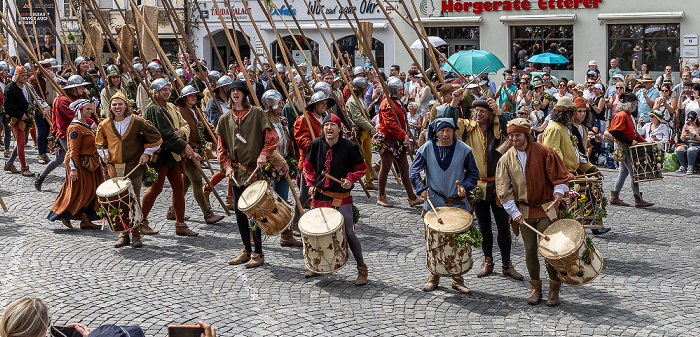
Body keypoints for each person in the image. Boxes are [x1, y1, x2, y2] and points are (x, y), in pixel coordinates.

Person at [495, 118, 573, 306]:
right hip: (524, 213)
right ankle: (536, 288)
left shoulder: (545, 152)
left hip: (546, 209)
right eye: (511, 135)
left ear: (526, 135)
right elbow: (503, 189)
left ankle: (554, 290)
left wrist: (558, 192)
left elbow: (560, 178)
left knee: (550, 250)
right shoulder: (506, 159)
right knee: (530, 250)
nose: (514, 139)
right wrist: (514, 212)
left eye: (517, 135)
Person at [217, 80, 287, 268]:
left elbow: (272, 138)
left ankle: (259, 253)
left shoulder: (256, 113)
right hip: (236, 174)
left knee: (255, 213)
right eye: (232, 91)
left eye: (239, 91)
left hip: (254, 173)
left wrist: (264, 154)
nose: (236, 94)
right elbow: (221, 148)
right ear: (229, 95)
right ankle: (246, 250)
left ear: (245, 94)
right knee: (240, 213)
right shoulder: (224, 119)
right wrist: (226, 166)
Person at [409, 118, 480, 293]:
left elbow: (473, 174)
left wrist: (465, 187)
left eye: (449, 130)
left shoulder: (464, 149)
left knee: (458, 243)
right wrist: (421, 188)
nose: (445, 134)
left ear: (454, 131)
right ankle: (434, 276)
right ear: (436, 132)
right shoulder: (427, 148)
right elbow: (413, 171)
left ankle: (457, 278)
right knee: (434, 242)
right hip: (434, 202)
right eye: (442, 131)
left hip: (457, 203)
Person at [459, 98, 524, 280]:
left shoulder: (499, 128)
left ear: (490, 113)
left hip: (499, 186)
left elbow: (510, 127)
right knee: (484, 226)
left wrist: (500, 112)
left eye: (483, 111)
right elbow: (451, 122)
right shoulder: (469, 128)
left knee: (503, 226)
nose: (479, 114)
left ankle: (507, 265)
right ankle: (488, 261)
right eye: (476, 111)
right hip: (478, 186)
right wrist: (453, 103)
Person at [303, 113, 368, 285]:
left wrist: (350, 179)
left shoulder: (349, 147)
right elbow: (307, 168)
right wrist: (310, 183)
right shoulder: (315, 145)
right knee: (314, 233)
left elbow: (362, 168)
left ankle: (362, 269)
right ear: (323, 129)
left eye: (333, 125)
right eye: (326, 125)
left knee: (349, 233)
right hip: (319, 197)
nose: (329, 128)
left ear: (340, 129)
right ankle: (316, 266)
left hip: (341, 198)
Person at [95, 92, 162, 248]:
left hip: (134, 168)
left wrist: (147, 154)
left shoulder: (137, 122)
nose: (117, 107)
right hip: (114, 169)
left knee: (134, 201)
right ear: (110, 107)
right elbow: (100, 144)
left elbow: (156, 137)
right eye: (114, 104)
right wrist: (104, 155)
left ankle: (136, 234)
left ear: (126, 106)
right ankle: (123, 234)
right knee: (117, 202)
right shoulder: (104, 124)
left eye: (120, 104)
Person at [141, 78, 202, 237]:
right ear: (156, 92)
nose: (167, 92)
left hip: (173, 155)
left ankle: (180, 224)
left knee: (179, 188)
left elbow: (180, 127)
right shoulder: (154, 109)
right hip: (160, 156)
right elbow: (165, 136)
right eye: (163, 90)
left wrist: (181, 135)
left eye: (168, 89)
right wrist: (185, 147)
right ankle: (141, 221)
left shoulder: (168, 107)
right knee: (156, 189)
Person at [47, 99, 103, 230]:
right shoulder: (75, 128)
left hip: (89, 163)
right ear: (80, 110)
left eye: (91, 108)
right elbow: (73, 149)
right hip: (79, 163)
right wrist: (73, 169)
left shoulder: (85, 124)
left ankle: (85, 219)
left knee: (90, 191)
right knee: (77, 191)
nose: (90, 111)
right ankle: (63, 214)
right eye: (87, 109)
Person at [173, 85, 224, 224]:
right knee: (197, 181)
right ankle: (207, 214)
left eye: (195, 95)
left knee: (186, 182)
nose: (194, 97)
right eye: (191, 96)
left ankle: (172, 210)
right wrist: (186, 149)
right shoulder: (180, 111)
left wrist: (215, 136)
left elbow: (205, 127)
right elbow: (179, 131)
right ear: (184, 98)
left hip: (198, 150)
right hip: (188, 152)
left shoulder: (197, 110)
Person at [35, 75, 92, 191]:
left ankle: (40, 177)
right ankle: (73, 184)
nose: (83, 88)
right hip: (66, 135)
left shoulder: (78, 98)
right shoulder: (63, 100)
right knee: (73, 158)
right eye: (80, 87)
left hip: (75, 133)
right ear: (73, 88)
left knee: (59, 159)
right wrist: (91, 123)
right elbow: (75, 116)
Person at [261, 89, 302, 247]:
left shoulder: (282, 120)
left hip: (285, 163)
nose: (281, 105)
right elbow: (267, 146)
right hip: (269, 167)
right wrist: (280, 163)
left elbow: (287, 139)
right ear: (270, 105)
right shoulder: (263, 121)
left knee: (283, 201)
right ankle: (253, 238)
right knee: (265, 203)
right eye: (278, 103)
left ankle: (286, 235)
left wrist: (290, 159)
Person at [376, 76, 423, 208]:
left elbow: (401, 120)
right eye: (400, 90)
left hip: (399, 141)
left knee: (404, 169)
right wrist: (404, 135)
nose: (402, 92)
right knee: (385, 168)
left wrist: (405, 133)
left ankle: (412, 197)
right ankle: (381, 197)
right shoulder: (386, 104)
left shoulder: (397, 102)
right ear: (394, 90)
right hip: (389, 141)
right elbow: (390, 124)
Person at [608, 92, 654, 208]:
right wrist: (630, 141)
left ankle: (614, 197)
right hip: (624, 147)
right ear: (630, 104)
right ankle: (638, 199)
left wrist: (645, 142)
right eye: (635, 103)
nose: (636, 106)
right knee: (634, 173)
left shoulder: (627, 115)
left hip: (626, 146)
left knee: (624, 172)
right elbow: (614, 131)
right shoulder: (623, 115)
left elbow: (634, 134)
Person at [4, 65, 50, 177]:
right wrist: (20, 115)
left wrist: (44, 106)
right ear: (17, 76)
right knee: (20, 142)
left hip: (27, 118)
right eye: (23, 75)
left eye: (26, 75)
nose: (26, 77)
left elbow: (36, 98)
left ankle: (9, 164)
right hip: (16, 120)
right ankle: (24, 168)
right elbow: (8, 106)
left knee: (22, 143)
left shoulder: (28, 86)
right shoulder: (10, 88)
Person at [541, 97, 598, 175]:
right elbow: (554, 156)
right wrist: (565, 173)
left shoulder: (565, 128)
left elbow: (575, 153)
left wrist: (591, 170)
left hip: (570, 174)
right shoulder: (554, 129)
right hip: (560, 178)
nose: (574, 116)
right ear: (566, 114)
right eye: (572, 113)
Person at [345, 76, 377, 190]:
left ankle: (368, 181)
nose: (366, 90)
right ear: (360, 89)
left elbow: (365, 115)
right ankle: (348, 179)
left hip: (365, 132)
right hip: (357, 133)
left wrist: (370, 123)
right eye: (364, 89)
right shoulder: (352, 101)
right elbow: (357, 118)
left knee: (368, 156)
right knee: (353, 158)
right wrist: (369, 127)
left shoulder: (361, 100)